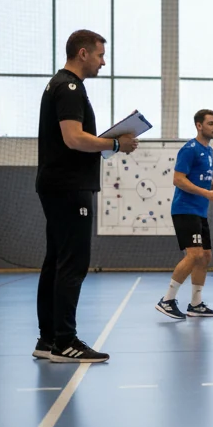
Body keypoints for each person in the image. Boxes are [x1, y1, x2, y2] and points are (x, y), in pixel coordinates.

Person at [35, 29, 138, 363]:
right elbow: (74, 138)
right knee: (72, 263)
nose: (103, 62)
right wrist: (115, 144)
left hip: (58, 185)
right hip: (69, 187)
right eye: (100, 55)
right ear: (82, 53)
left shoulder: (60, 85)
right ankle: (65, 341)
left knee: (55, 261)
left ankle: (48, 339)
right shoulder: (69, 87)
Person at [156, 109, 213, 320]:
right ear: (199, 126)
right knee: (194, 254)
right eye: (210, 123)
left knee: (205, 256)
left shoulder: (209, 150)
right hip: (185, 210)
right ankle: (167, 300)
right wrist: (207, 192)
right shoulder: (189, 149)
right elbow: (178, 179)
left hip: (199, 212)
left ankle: (196, 304)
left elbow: (202, 179)